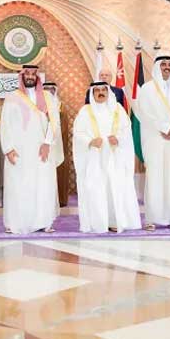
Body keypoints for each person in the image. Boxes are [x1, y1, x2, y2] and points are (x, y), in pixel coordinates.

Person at [0, 64, 62, 234]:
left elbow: (54, 122)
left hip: (42, 149)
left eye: (33, 74)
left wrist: (48, 143)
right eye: (27, 73)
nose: (30, 76)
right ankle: (16, 222)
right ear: (22, 76)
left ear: (37, 77)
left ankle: (43, 221)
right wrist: (8, 148)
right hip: (19, 150)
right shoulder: (12, 97)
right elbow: (5, 124)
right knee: (19, 185)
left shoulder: (49, 97)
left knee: (43, 185)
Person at [73, 82, 141, 233]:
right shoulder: (85, 111)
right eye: (97, 90)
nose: (100, 93)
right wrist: (90, 141)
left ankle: (115, 220)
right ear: (92, 93)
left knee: (114, 187)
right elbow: (78, 133)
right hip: (94, 158)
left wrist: (118, 139)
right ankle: (97, 222)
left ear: (108, 92)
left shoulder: (118, 109)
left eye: (104, 89)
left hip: (114, 156)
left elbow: (126, 130)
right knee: (96, 188)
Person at [136, 55, 170, 230]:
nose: (166, 67)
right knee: (156, 176)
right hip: (155, 137)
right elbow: (143, 113)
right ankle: (152, 218)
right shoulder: (147, 89)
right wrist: (165, 128)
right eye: (163, 64)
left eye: (169, 64)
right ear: (157, 67)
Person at [44, 81, 69, 207]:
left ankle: (60, 200)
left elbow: (64, 127)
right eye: (46, 89)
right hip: (43, 147)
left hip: (59, 145)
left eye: (51, 89)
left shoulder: (61, 107)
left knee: (59, 171)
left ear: (55, 91)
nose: (48, 92)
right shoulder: (39, 106)